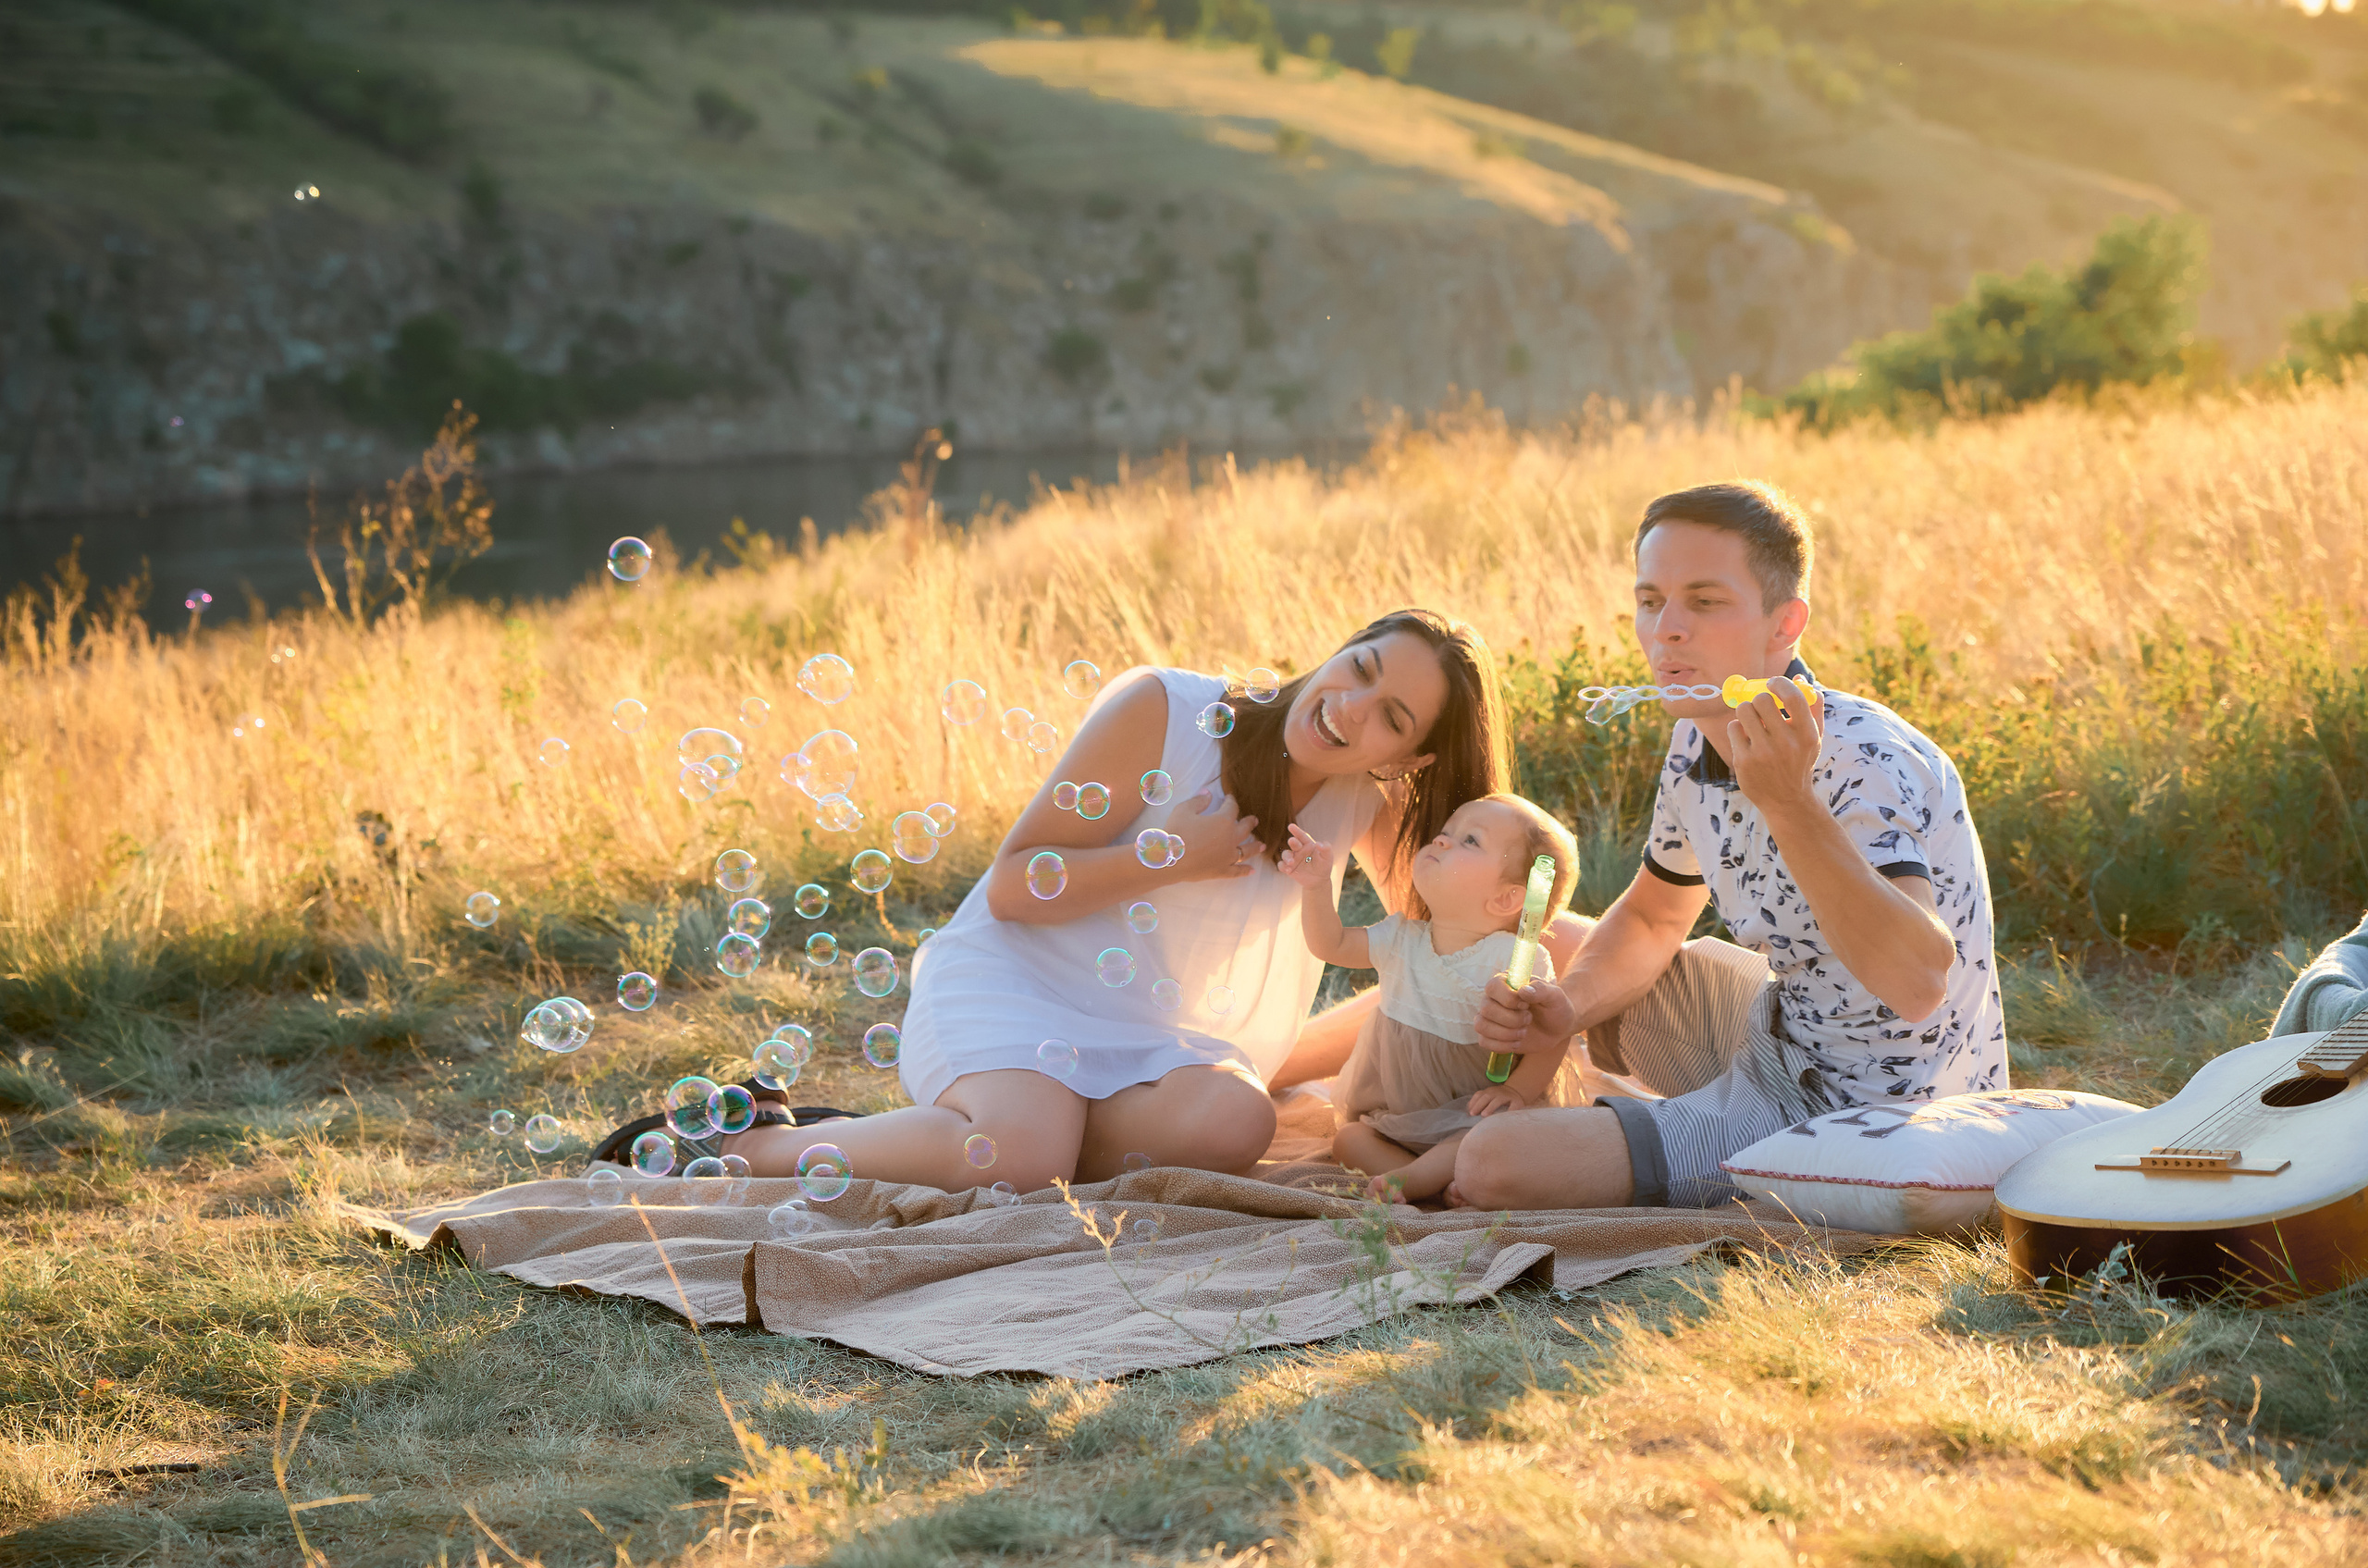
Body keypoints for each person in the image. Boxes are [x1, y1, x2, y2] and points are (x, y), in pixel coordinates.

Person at [720, 609, 1513, 1192]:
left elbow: (1443, 946)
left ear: (1414, 756)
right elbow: (1012, 885)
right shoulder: (1170, 712)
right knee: (1023, 1159)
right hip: (1014, 988)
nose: (1350, 707)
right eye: (1363, 667)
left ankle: (994, 1134)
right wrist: (1167, 857)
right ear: (1346, 645)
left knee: (1242, 1121)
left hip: (1151, 1042)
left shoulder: (1357, 803)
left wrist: (1552, 976)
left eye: (1392, 718)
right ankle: (764, 1144)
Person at [1452, 481, 2007, 1211]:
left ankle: (1652, 1134)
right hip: (1780, 1022)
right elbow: (1654, 917)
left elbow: (1916, 982)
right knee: (1548, 945)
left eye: (1704, 602)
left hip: (1857, 1106)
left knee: (1492, 1164)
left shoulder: (1859, 756)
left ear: (1786, 625)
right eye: (1651, 600)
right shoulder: (1697, 735)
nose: (1666, 630)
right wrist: (1570, 1007)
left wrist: (1788, 801)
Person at [1279, 794, 1582, 1204]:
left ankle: (1422, 1179)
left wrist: (1517, 1093)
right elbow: (1330, 943)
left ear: (1509, 899)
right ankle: (1439, 1179)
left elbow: (1552, 1038)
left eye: (1469, 840)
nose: (1441, 841)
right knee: (1349, 1138)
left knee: (1488, 1136)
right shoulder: (1401, 939)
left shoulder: (1513, 960)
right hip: (1400, 1117)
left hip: (1475, 1111)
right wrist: (1316, 888)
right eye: (1445, 833)